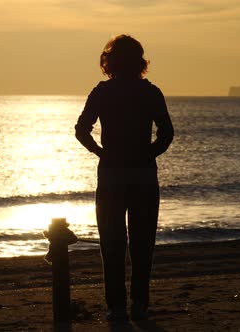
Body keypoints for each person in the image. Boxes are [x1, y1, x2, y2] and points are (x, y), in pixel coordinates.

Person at [75, 34, 174, 321]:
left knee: (112, 242)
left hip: (111, 176)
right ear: (140, 62)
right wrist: (149, 154)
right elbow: (166, 133)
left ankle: (116, 305)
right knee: (143, 243)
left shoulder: (102, 92)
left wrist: (102, 153)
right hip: (143, 175)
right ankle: (139, 303)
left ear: (110, 62)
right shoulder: (151, 92)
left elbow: (82, 130)